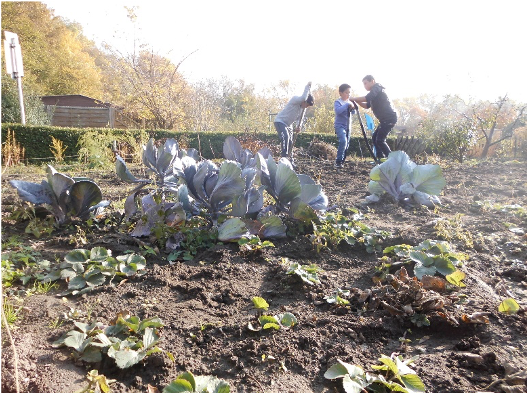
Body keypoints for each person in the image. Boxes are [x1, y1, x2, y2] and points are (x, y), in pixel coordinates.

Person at [351, 75, 397, 160]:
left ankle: (392, 160)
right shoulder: (374, 94)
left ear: (372, 81)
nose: (365, 86)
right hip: (384, 120)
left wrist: (354, 98)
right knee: (375, 138)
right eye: (363, 84)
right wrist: (356, 101)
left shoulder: (377, 88)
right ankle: (380, 158)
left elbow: (367, 98)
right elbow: (366, 105)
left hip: (389, 118)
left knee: (380, 140)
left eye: (366, 83)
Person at [274, 82, 314, 166]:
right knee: (285, 137)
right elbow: (303, 96)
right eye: (306, 104)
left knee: (291, 142)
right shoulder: (296, 99)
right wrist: (307, 87)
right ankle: (284, 159)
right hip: (280, 121)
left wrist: (298, 126)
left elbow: (300, 119)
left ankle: (291, 161)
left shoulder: (303, 109)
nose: (306, 107)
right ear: (304, 101)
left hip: (289, 125)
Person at [334, 83, 355, 168]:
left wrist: (352, 108)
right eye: (346, 92)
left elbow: (353, 113)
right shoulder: (338, 102)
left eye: (349, 93)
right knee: (343, 141)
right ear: (341, 93)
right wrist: (346, 105)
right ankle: (338, 161)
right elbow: (338, 111)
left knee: (346, 145)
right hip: (339, 125)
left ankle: (342, 161)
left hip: (348, 127)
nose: (348, 94)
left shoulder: (350, 103)